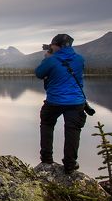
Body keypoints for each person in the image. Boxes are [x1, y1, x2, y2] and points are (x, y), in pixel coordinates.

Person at [34, 33, 86, 173]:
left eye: (52, 45)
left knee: (47, 124)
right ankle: (70, 164)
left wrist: (47, 58)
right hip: (76, 101)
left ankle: (46, 159)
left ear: (56, 45)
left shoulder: (52, 60)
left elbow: (39, 73)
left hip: (54, 101)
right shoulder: (80, 59)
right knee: (73, 130)